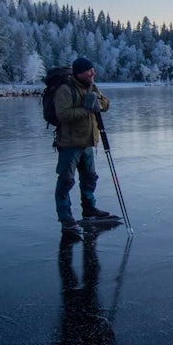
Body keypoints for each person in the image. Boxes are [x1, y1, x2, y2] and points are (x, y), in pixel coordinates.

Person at [54, 57, 116, 234]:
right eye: (90, 71)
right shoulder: (65, 90)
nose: (93, 73)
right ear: (79, 72)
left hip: (89, 143)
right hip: (70, 144)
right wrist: (86, 108)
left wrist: (97, 100)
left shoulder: (92, 86)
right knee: (66, 180)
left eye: (93, 70)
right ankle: (65, 217)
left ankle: (89, 209)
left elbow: (106, 104)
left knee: (90, 178)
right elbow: (63, 115)